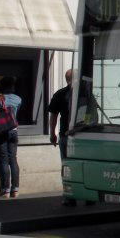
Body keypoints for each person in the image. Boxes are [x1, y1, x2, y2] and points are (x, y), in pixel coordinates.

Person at [0, 76, 21, 198]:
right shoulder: (18, 99)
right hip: (13, 131)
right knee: (13, 159)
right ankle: (15, 189)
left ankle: (5, 190)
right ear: (12, 87)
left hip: (1, 132)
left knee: (3, 160)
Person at [48, 69, 76, 205]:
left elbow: (53, 115)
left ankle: (69, 196)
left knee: (67, 167)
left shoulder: (59, 94)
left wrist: (52, 133)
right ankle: (88, 197)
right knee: (82, 166)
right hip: (84, 136)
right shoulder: (85, 93)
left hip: (65, 135)